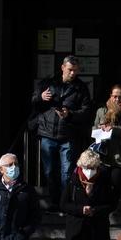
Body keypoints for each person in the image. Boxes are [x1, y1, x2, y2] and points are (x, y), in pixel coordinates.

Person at [30, 56, 92, 205]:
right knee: (49, 171)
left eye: (75, 70)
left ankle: (65, 203)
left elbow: (86, 111)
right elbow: (33, 101)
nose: (73, 73)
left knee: (67, 172)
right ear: (63, 67)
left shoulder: (81, 88)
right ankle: (53, 201)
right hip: (47, 132)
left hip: (67, 135)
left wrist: (70, 114)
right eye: (70, 70)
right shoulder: (48, 83)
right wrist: (40, 97)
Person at [60, 150, 117, 240]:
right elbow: (64, 204)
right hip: (77, 226)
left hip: (96, 225)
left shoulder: (103, 180)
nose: (89, 171)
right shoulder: (73, 180)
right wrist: (81, 209)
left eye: (92, 168)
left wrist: (95, 210)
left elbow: (111, 204)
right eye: (86, 167)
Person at [92, 84, 121, 189]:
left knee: (115, 188)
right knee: (101, 188)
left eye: (120, 97)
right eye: (115, 96)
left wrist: (114, 129)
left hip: (120, 158)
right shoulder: (101, 111)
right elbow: (94, 129)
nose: (117, 99)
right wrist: (100, 128)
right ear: (110, 96)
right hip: (103, 157)